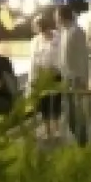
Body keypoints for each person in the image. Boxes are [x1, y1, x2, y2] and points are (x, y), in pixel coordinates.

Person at [59, 2, 90, 146]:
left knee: (76, 112)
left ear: (61, 16)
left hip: (75, 78)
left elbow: (83, 56)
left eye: (56, 15)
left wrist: (83, 77)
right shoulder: (65, 32)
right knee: (69, 111)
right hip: (66, 77)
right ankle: (78, 137)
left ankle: (82, 139)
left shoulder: (77, 32)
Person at [32, 9, 63, 140]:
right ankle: (47, 129)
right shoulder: (36, 41)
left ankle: (56, 128)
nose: (34, 28)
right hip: (42, 74)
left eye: (36, 26)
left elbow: (62, 55)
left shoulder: (58, 37)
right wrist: (33, 78)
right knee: (44, 103)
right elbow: (34, 60)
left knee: (56, 101)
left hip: (56, 73)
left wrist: (59, 69)